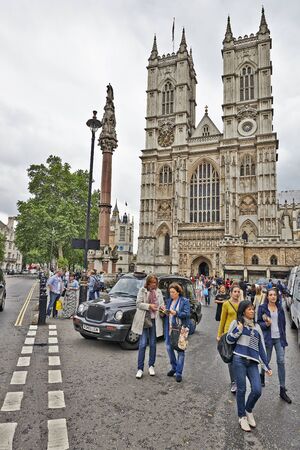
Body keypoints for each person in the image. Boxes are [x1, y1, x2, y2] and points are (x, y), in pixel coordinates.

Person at [227, 300, 272, 432]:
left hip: (253, 362)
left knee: (257, 390)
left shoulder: (257, 327)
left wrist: (267, 366)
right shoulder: (237, 323)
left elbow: (261, 348)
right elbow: (229, 340)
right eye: (249, 309)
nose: (252, 311)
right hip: (239, 360)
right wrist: (238, 330)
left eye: (253, 309)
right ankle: (242, 417)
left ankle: (248, 410)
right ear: (243, 311)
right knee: (241, 389)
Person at [257, 288, 292, 403]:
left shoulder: (280, 308)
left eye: (274, 295)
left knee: (281, 361)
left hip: (278, 339)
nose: (273, 297)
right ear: (267, 297)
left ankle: (282, 389)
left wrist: (284, 340)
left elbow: (283, 324)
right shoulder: (262, 308)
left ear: (277, 296)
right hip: (268, 339)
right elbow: (258, 323)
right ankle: (262, 374)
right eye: (270, 295)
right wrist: (265, 323)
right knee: (266, 360)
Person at [131, 274, 164, 379]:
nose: (153, 285)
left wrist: (162, 308)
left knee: (153, 344)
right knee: (143, 344)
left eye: (155, 283)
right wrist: (149, 306)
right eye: (151, 282)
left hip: (154, 320)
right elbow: (138, 303)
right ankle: (140, 368)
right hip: (144, 320)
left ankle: (151, 366)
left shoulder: (159, 292)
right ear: (148, 283)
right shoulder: (142, 290)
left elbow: (161, 304)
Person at [164, 282, 190, 382]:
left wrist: (176, 313)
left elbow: (187, 314)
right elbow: (167, 314)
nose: (171, 294)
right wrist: (164, 312)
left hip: (181, 329)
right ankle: (174, 367)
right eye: (170, 292)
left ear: (178, 292)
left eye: (173, 292)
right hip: (169, 328)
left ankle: (179, 372)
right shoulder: (169, 301)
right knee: (169, 348)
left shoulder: (184, 301)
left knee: (180, 350)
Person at [217, 285, 241, 393]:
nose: (237, 293)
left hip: (239, 333)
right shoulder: (226, 304)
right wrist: (219, 335)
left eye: (238, 291)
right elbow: (222, 320)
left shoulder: (242, 304)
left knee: (238, 358)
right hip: (228, 333)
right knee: (230, 359)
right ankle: (233, 382)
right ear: (230, 293)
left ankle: (239, 379)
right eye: (235, 291)